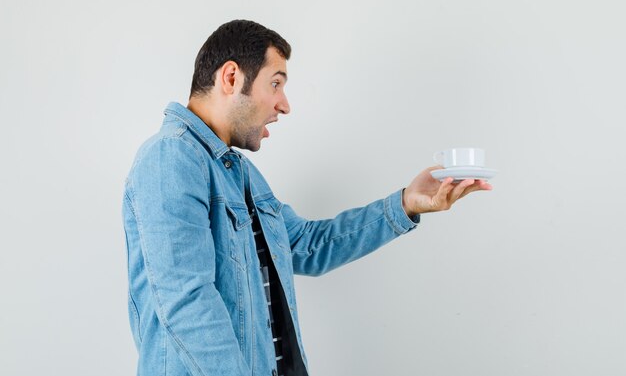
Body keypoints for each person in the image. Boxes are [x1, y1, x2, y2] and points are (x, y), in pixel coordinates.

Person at [122, 19, 492, 376]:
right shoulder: (170, 158)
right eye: (276, 83)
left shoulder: (240, 174)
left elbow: (307, 245)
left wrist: (406, 203)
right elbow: (187, 303)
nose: (284, 104)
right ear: (231, 77)